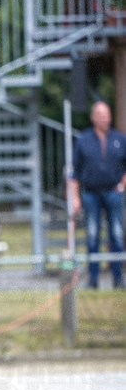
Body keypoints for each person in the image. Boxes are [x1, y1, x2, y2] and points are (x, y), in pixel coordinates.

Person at [70, 100, 126, 289]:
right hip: (91, 194)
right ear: (93, 117)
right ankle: (93, 279)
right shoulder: (83, 140)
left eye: (107, 115)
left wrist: (121, 186)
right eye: (101, 115)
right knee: (92, 235)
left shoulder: (120, 139)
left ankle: (118, 278)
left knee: (117, 235)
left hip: (113, 193)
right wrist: (75, 197)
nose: (104, 119)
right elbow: (74, 172)